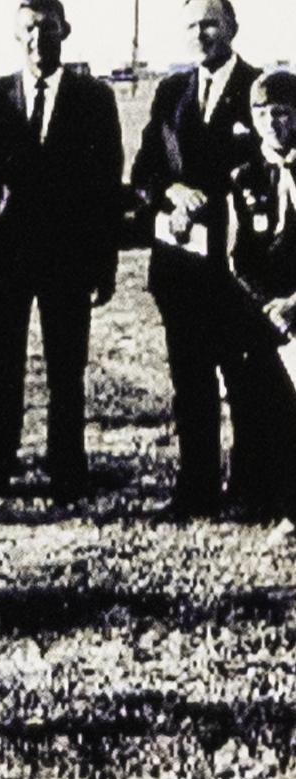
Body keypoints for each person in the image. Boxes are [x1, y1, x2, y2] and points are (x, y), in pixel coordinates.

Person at [0, 0, 124, 505]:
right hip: (6, 262)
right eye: (28, 30)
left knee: (65, 374)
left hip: (67, 259)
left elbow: (105, 189)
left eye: (46, 29)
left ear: (64, 32)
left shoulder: (95, 99)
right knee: (1, 371)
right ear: (16, 36)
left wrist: (104, 264)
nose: (37, 40)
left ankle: (68, 477)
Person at [132, 0, 264, 518]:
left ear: (232, 26)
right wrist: (173, 191)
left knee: (245, 381)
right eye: (191, 25)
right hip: (179, 268)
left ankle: (252, 488)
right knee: (190, 384)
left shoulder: (259, 89)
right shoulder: (170, 93)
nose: (200, 33)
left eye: (210, 22)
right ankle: (196, 490)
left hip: (238, 270)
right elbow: (144, 171)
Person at [226, 70, 296, 541]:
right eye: (262, 114)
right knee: (276, 409)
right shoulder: (245, 178)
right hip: (271, 316)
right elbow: (238, 258)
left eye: (283, 113)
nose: (273, 123)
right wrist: (272, 307)